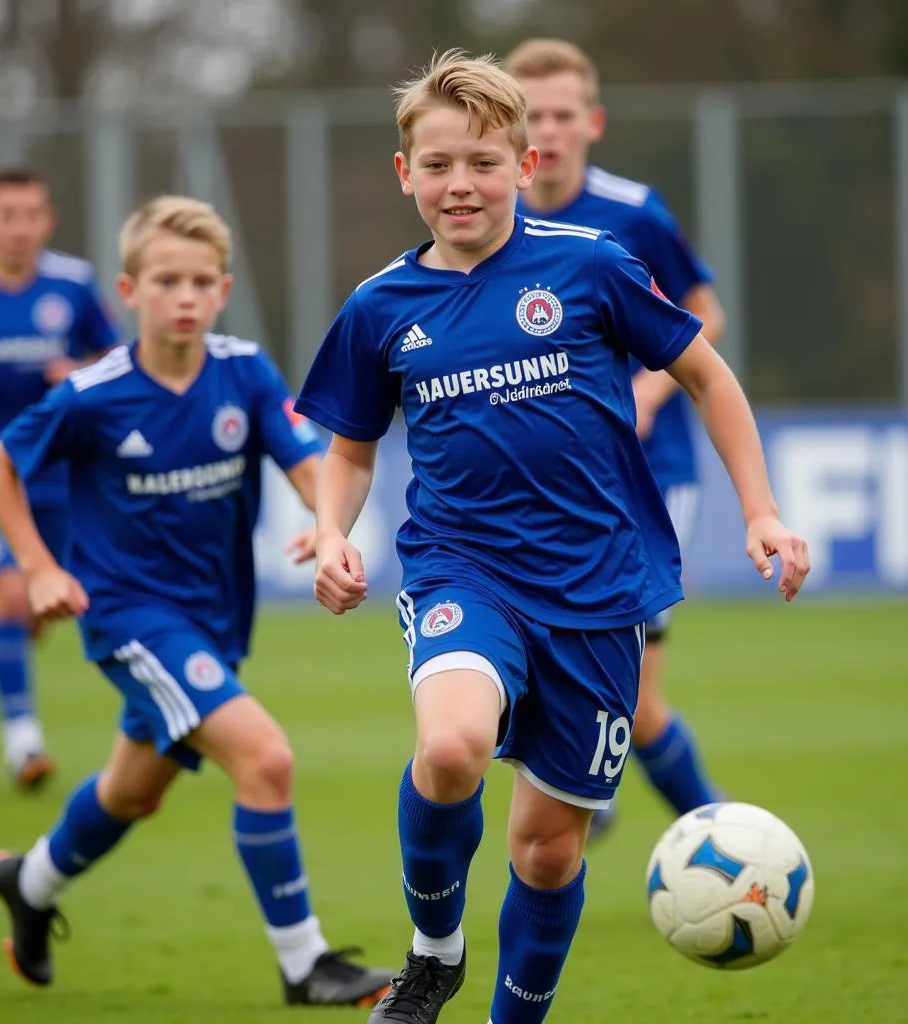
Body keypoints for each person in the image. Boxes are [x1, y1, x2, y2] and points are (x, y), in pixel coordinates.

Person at [294, 49, 809, 1024]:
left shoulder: (588, 262)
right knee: (448, 749)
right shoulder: (378, 308)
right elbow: (351, 448)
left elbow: (709, 376)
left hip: (598, 588)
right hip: (462, 566)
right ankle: (432, 955)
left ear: (524, 166)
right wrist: (328, 531)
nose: (460, 184)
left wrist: (762, 509)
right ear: (405, 173)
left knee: (545, 847)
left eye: (484, 163)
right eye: (438, 165)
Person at [0, 195, 393, 1006]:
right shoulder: (94, 393)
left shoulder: (244, 371)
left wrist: (328, 524)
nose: (186, 297)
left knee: (132, 793)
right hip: (130, 618)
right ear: (129, 292)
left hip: (212, 619)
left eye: (202, 281)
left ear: (224, 288)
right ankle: (306, 963)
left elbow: (307, 462)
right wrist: (36, 569)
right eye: (167, 280)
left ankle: (28, 883)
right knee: (265, 758)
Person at [506, 38, 730, 840]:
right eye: (532, 115)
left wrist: (650, 385)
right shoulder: (491, 219)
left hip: (644, 474)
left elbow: (705, 310)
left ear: (592, 122)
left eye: (564, 114)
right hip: (544, 488)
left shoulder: (635, 214)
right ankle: (586, 792)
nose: (550, 130)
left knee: (635, 702)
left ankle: (723, 844)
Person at [0, 165, 120, 788]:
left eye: (31, 216)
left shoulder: (72, 286)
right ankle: (24, 744)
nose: (20, 229)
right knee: (13, 599)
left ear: (47, 221)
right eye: (7, 216)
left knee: (43, 609)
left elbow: (115, 359)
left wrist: (76, 373)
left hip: (56, 477)